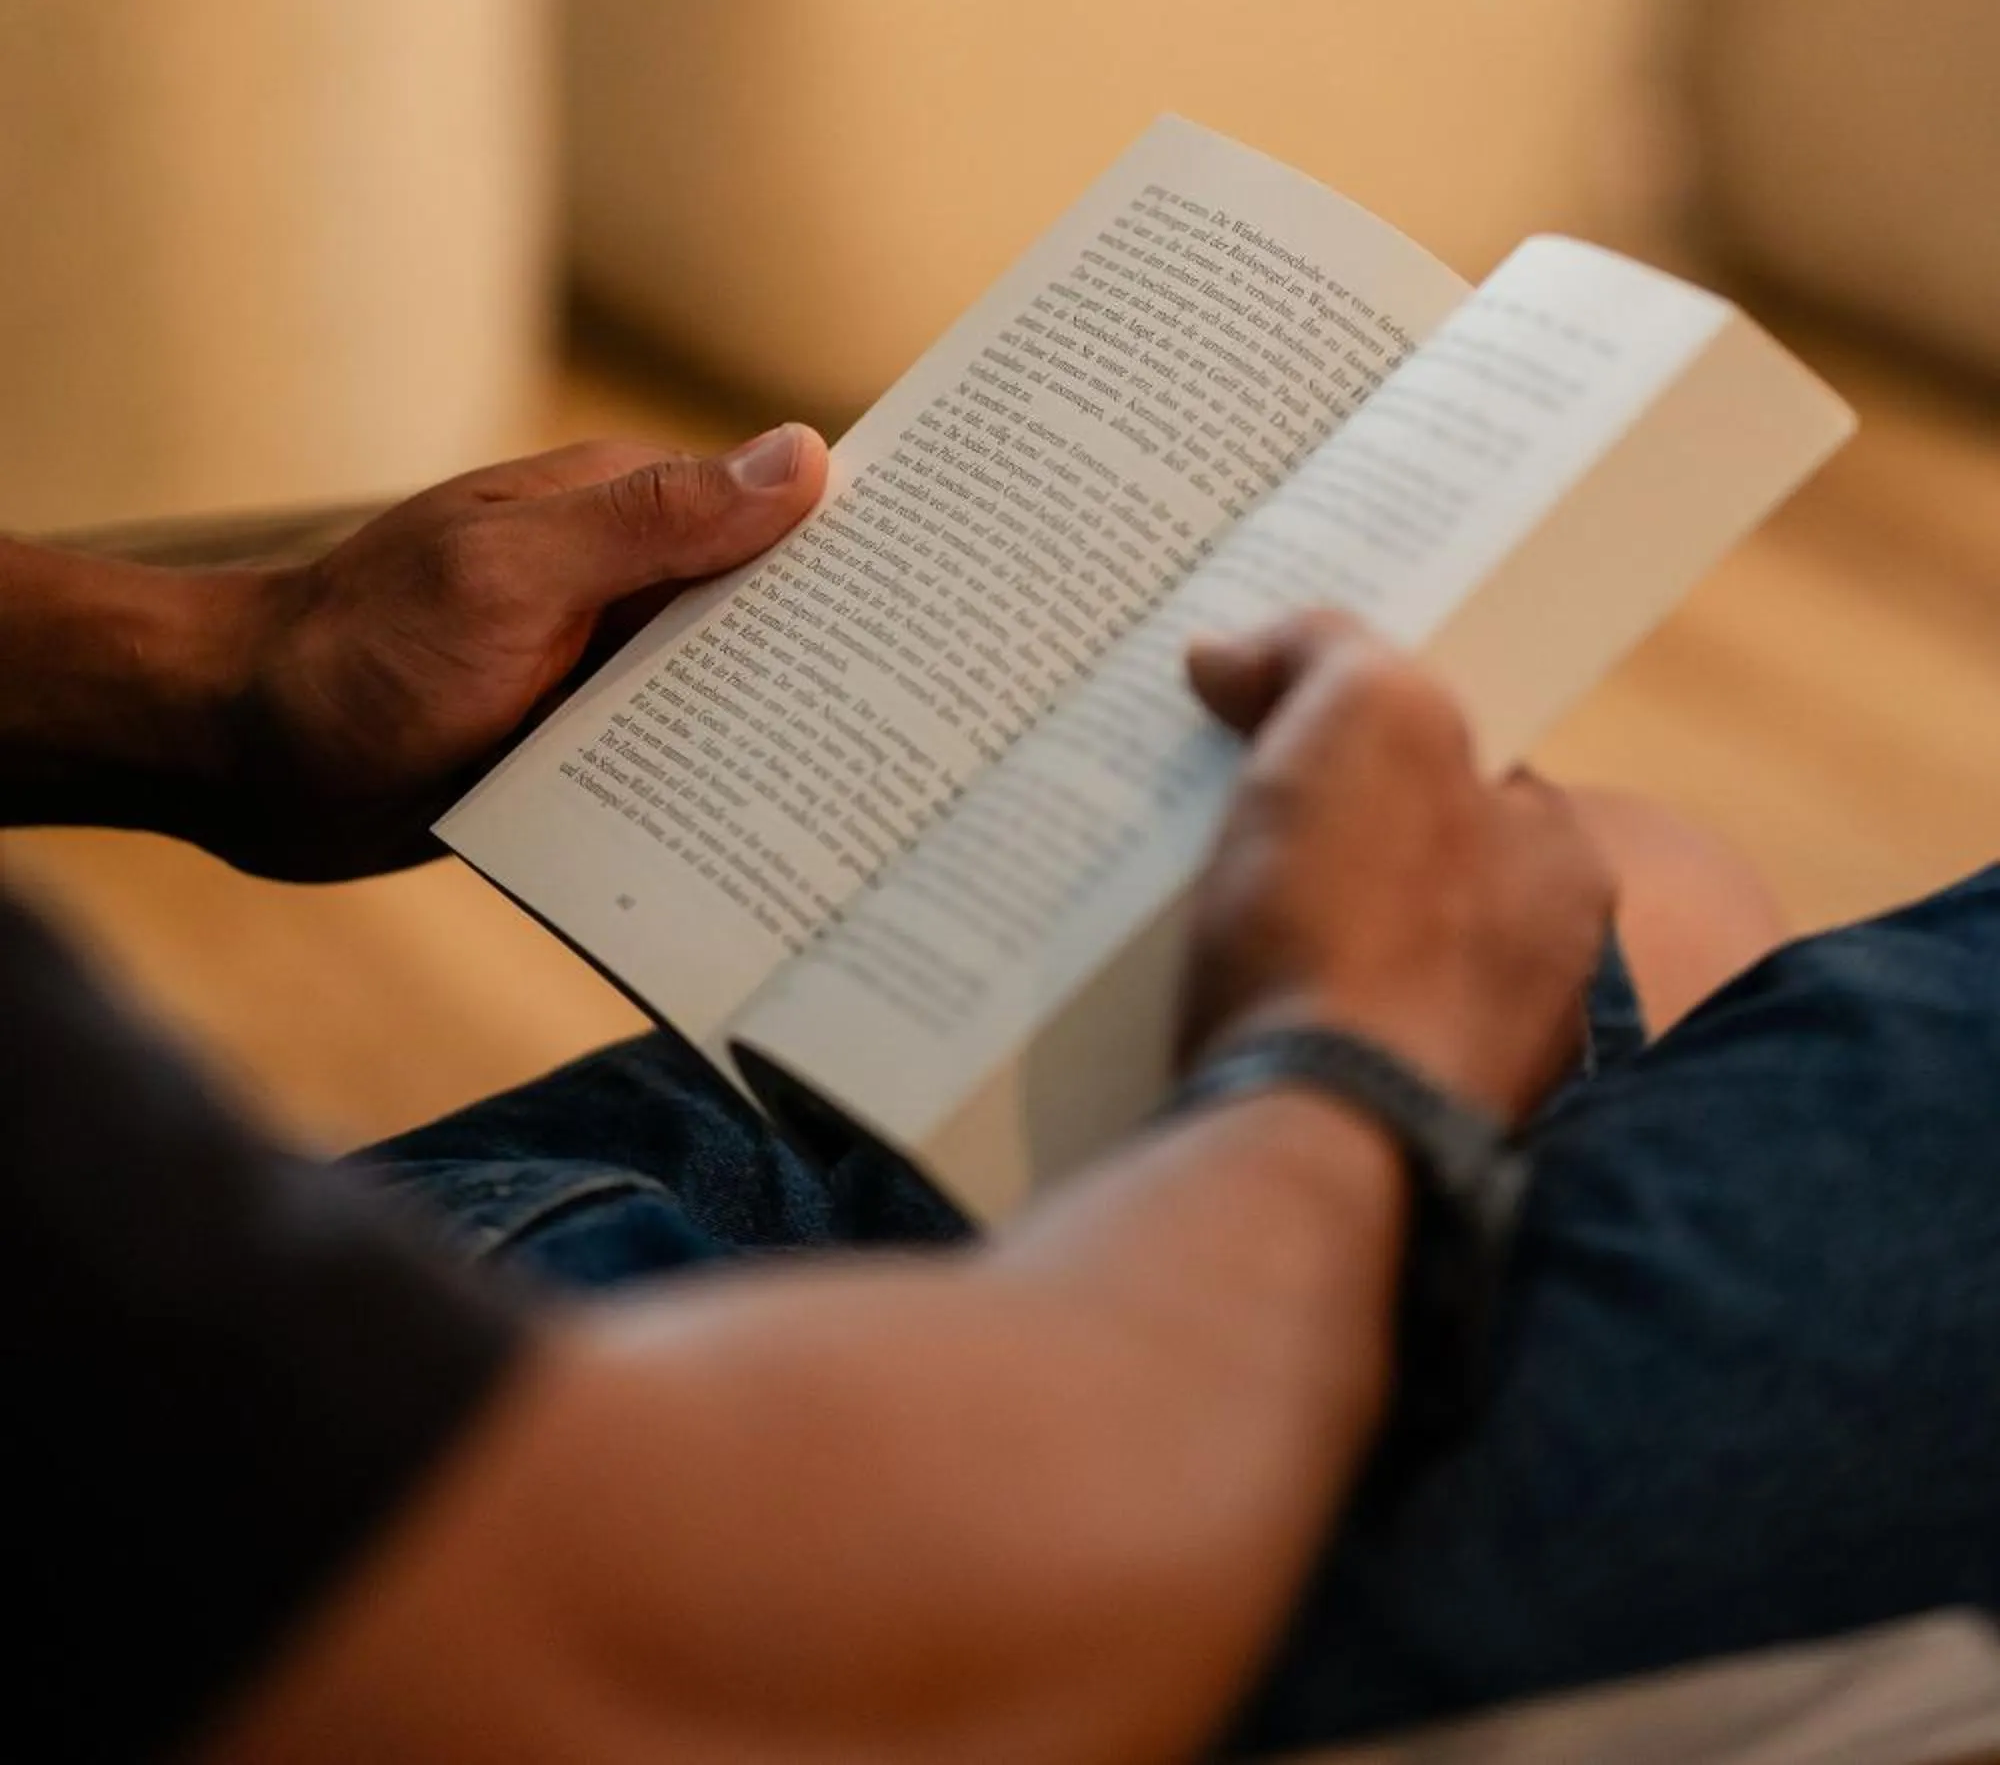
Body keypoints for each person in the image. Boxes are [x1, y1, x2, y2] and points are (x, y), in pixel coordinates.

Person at [3, 427, 1994, 1764]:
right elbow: (677, 1660)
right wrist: (1338, 1066)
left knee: (1639, 885)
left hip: (286, 1407)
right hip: (662, 1609)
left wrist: (221, 663)